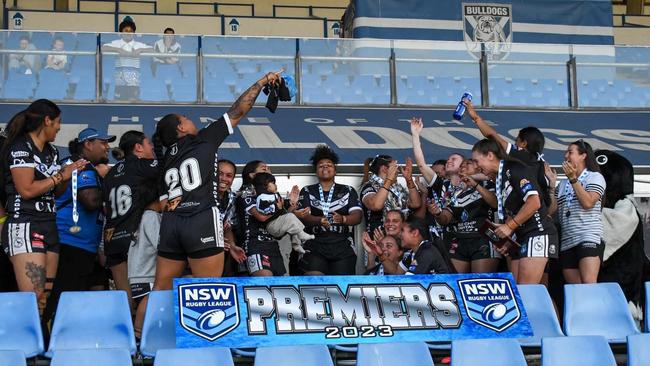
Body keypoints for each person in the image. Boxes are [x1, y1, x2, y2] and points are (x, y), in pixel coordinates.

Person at [153, 71, 282, 289]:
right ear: (180, 128)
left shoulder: (165, 159)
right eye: (187, 119)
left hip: (171, 222)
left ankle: (140, 326)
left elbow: (163, 203)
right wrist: (262, 82)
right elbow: (239, 109)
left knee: (160, 289)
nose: (191, 121)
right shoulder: (203, 139)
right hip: (200, 217)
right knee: (211, 287)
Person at [1, 99, 87, 315]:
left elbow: (55, 192)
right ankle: (23, 346)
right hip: (25, 223)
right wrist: (60, 176)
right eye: (58, 122)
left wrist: (68, 176)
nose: (59, 127)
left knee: (43, 300)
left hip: (49, 224)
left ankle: (37, 346)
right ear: (47, 121)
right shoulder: (20, 147)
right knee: (33, 297)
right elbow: (27, 190)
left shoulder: (52, 152)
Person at [43, 128, 113, 324]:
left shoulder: (79, 165)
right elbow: (90, 200)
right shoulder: (80, 166)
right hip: (71, 244)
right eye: (103, 142)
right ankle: (49, 342)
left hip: (81, 245)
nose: (107, 147)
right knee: (64, 299)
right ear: (88, 144)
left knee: (82, 299)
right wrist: (110, 184)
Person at [472, 138, 558, 284]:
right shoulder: (501, 177)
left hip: (538, 233)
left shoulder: (514, 168)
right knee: (522, 291)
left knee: (526, 292)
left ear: (490, 155)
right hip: (522, 237)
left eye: (476, 160)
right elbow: (512, 212)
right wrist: (509, 238)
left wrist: (509, 226)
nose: (476, 166)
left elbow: (534, 202)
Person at [101, 130, 161, 335]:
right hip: (135, 236)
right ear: (138, 148)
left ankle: (127, 344)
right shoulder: (146, 166)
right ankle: (140, 338)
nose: (152, 149)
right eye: (149, 145)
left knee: (125, 298)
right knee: (150, 291)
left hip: (112, 238)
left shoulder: (110, 173)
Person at [296, 145, 363, 275]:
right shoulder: (307, 190)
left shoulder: (348, 190)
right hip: (314, 243)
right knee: (314, 281)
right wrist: (319, 220)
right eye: (321, 166)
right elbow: (303, 217)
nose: (325, 167)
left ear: (335, 171)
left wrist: (344, 219)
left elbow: (358, 215)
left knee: (341, 286)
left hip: (342, 244)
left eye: (329, 165)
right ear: (316, 172)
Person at [549, 140, 605, 284]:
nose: (565, 155)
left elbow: (587, 203)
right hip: (567, 241)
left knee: (588, 284)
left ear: (583, 156)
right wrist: (551, 186)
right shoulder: (562, 184)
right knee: (576, 289)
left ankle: (597, 307)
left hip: (588, 236)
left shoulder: (595, 177)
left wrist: (574, 180)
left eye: (570, 152)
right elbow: (550, 211)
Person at [428, 158, 499, 273]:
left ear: (478, 167)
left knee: (480, 284)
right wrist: (438, 214)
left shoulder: (488, 183)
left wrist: (475, 185)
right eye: (461, 165)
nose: (463, 166)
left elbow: (495, 203)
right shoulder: (454, 191)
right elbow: (445, 218)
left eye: (468, 163)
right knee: (456, 284)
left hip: (483, 238)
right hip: (459, 240)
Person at [250, 172, 313, 253]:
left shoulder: (275, 195)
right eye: (272, 183)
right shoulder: (261, 197)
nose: (275, 185)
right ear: (264, 185)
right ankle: (301, 234)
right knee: (290, 218)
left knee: (292, 224)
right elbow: (264, 209)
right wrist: (277, 207)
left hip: (278, 222)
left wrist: (290, 202)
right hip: (272, 225)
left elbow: (283, 204)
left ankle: (297, 245)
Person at [367, 216, 452, 275]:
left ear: (415, 233)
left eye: (403, 230)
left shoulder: (426, 251)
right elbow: (396, 272)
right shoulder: (414, 253)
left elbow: (409, 282)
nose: (400, 234)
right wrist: (380, 254)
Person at [360, 155, 421, 236]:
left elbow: (415, 204)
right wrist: (388, 179)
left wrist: (409, 179)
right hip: (380, 240)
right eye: (395, 167)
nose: (398, 171)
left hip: (401, 238)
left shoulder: (397, 187)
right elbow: (375, 205)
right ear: (384, 169)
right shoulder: (369, 186)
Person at [101, 17, 152, 101]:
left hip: (135, 81)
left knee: (134, 104)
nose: (128, 33)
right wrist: (118, 50)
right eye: (126, 30)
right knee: (118, 103)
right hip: (119, 81)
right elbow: (103, 48)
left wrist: (141, 50)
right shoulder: (116, 43)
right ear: (121, 32)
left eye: (131, 31)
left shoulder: (138, 44)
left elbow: (152, 50)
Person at [216, 159, 246, 276]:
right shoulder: (201, 195)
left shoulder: (231, 198)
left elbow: (228, 226)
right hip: (199, 250)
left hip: (221, 249)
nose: (223, 179)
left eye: (229, 176)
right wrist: (214, 242)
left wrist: (232, 246)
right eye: (219, 174)